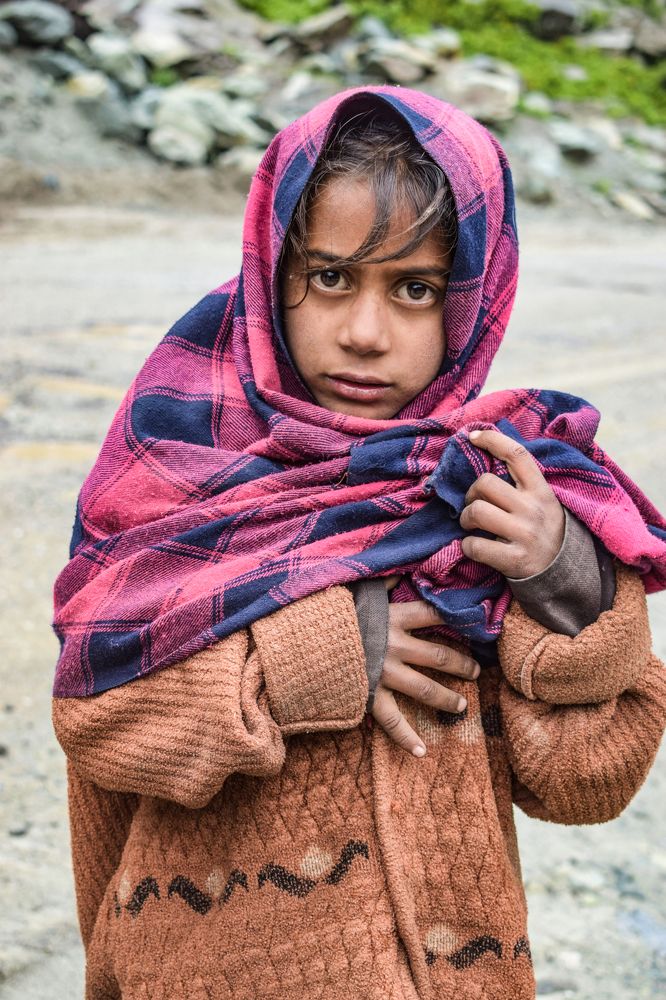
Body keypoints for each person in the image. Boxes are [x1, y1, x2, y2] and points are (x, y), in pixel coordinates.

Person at [52, 86, 666, 1000]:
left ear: (471, 302)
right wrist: (323, 654)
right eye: (331, 276)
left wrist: (563, 577)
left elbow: (586, 782)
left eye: (415, 289)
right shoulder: (179, 462)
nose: (366, 334)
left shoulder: (492, 499)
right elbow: (97, 721)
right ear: (273, 270)